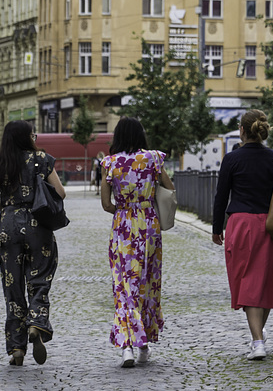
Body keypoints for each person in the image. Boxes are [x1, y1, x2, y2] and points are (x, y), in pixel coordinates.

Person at [212, 109, 273, 361]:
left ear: (242, 131)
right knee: (267, 281)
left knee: (246, 280)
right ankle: (257, 335)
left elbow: (221, 196)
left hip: (241, 226)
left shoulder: (232, 159)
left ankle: (258, 341)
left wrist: (217, 228)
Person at [0, 120, 66, 367]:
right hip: (37, 225)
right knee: (40, 278)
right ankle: (36, 323)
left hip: (8, 227)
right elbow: (60, 192)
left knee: (13, 286)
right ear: (29, 137)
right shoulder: (42, 159)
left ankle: (17, 348)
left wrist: (10, 202)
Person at [100, 117, 174, 368]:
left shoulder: (109, 163)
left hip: (123, 226)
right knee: (148, 281)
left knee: (124, 284)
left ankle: (128, 346)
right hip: (149, 225)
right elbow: (169, 187)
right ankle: (143, 340)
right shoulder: (153, 159)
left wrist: (125, 211)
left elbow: (106, 203)